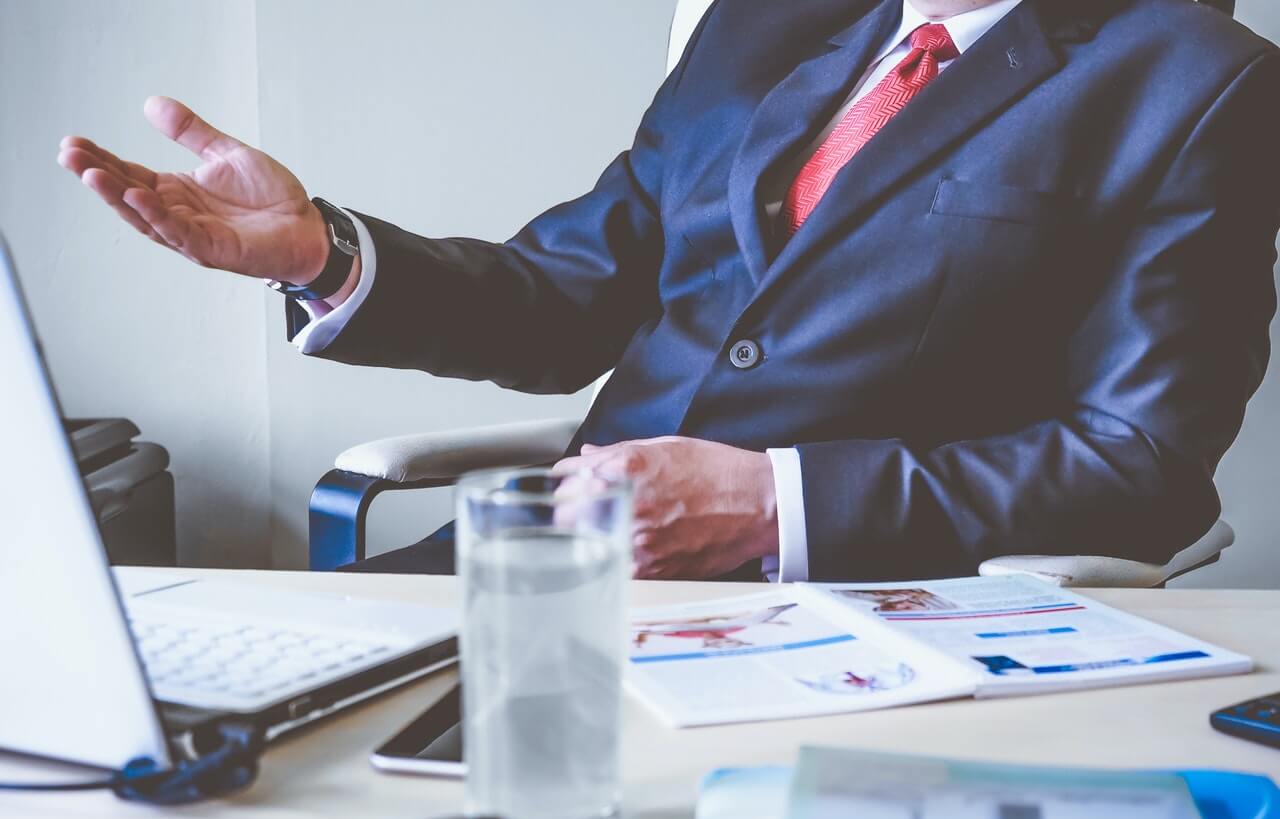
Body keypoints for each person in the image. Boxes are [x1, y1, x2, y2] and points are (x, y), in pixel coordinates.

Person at [58, 0, 1280, 582]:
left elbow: (1139, 459)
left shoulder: (1195, 80)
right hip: (558, 556)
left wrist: (770, 505)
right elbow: (565, 295)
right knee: (219, 724)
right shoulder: (762, 24)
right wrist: (323, 253)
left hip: (863, 602)